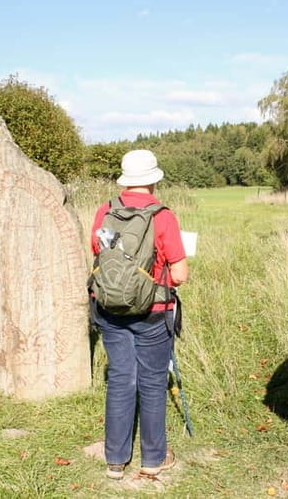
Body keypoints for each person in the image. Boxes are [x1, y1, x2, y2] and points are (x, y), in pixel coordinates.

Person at [89, 149, 189, 480]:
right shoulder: (163, 216)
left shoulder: (106, 211)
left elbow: (102, 255)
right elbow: (179, 275)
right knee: (152, 382)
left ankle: (115, 462)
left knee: (119, 379)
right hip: (153, 312)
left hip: (110, 309)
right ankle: (153, 460)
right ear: (154, 180)